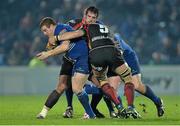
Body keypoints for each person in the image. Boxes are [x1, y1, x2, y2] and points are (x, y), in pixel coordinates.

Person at [49, 21, 141, 119]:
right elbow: (115, 42)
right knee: (124, 79)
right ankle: (128, 107)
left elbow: (75, 34)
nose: (91, 19)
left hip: (93, 58)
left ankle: (116, 107)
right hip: (111, 53)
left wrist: (56, 38)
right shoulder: (105, 29)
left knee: (101, 84)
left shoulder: (86, 29)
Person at [36, 17, 95, 119]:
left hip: (82, 58)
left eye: (45, 30)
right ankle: (43, 113)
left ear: (51, 26)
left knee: (77, 88)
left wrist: (47, 54)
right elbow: (56, 46)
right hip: (71, 59)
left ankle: (92, 110)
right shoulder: (57, 32)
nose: (45, 33)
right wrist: (49, 48)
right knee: (61, 86)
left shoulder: (60, 28)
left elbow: (65, 47)